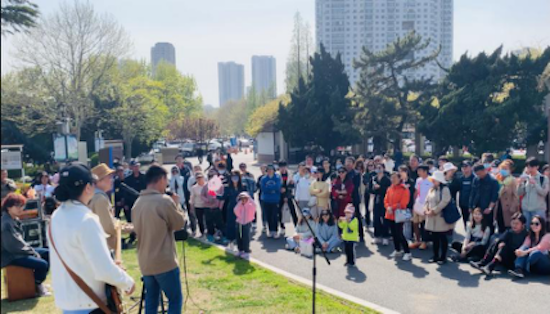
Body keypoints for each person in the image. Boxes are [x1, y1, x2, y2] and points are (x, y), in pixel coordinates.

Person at [49, 163, 135, 313]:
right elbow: (103, 269)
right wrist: (127, 282)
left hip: (68, 303)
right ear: (88, 187)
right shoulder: (87, 219)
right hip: (90, 303)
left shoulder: (56, 216)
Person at [132, 166, 185, 314]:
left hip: (145, 261)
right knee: (175, 300)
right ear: (161, 179)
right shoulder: (164, 201)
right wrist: (176, 204)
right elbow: (179, 223)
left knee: (151, 300)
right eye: (166, 180)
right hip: (164, 261)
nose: (166, 184)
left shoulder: (137, 203)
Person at [1, 193, 50, 296]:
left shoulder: (13, 219)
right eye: (17, 206)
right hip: (9, 256)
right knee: (42, 264)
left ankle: (36, 282)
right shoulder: (6, 223)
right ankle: (36, 285)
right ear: (9, 207)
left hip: (18, 252)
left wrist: (31, 251)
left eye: (22, 206)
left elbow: (19, 243)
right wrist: (32, 252)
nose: (21, 209)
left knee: (48, 253)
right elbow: (12, 246)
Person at [424, 170, 454, 264]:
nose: (432, 181)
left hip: (440, 217)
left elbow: (445, 201)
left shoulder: (445, 189)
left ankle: (443, 257)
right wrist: (426, 209)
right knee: (434, 237)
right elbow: (427, 200)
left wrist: (434, 210)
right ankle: (435, 255)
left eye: (434, 179)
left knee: (442, 237)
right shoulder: (432, 189)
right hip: (431, 216)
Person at [89, 164, 118, 251]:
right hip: (104, 247)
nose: (111, 180)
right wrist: (121, 227)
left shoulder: (92, 196)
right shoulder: (100, 199)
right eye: (109, 177)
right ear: (99, 181)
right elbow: (108, 227)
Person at [384, 173, 412, 261]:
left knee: (399, 233)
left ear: (400, 179)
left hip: (398, 214)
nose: (393, 180)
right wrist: (387, 207)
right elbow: (386, 199)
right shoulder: (390, 188)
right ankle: (397, 250)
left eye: (395, 178)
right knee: (393, 233)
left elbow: (403, 203)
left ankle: (407, 252)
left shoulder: (404, 189)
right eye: (392, 178)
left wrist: (392, 207)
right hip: (390, 214)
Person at [517, 157, 549, 229]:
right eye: (528, 167)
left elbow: (544, 193)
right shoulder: (525, 178)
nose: (529, 169)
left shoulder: (543, 178)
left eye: (531, 167)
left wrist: (535, 184)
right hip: (526, 209)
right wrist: (520, 184)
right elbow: (519, 193)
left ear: (537, 167)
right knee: (527, 229)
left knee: (539, 229)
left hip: (538, 209)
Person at [469, 164, 499, 235]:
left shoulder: (493, 181)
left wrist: (490, 208)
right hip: (477, 207)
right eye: (476, 174)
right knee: (477, 226)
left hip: (487, 208)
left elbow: (494, 196)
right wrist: (470, 206)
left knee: (488, 226)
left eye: (479, 174)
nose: (478, 176)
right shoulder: (476, 179)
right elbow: (472, 193)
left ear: (484, 171)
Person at [221, 170, 246, 251]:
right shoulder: (227, 187)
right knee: (231, 225)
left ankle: (242, 243)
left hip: (241, 209)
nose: (234, 179)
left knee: (241, 226)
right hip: (231, 208)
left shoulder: (243, 187)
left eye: (236, 177)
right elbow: (223, 197)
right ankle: (231, 241)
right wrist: (213, 193)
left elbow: (247, 197)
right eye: (233, 177)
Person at [410, 165, 432, 250]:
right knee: (415, 223)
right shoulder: (418, 180)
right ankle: (417, 240)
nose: (418, 172)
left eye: (420, 171)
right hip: (417, 204)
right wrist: (414, 203)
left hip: (426, 205)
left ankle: (424, 241)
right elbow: (416, 192)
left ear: (425, 171)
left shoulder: (431, 180)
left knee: (424, 224)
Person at [495, 160, 519, 234]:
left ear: (510, 170)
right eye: (502, 168)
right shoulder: (497, 179)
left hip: (508, 207)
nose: (503, 170)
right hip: (498, 205)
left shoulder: (513, 180)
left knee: (508, 225)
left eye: (505, 169)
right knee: (499, 223)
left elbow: (516, 195)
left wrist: (513, 207)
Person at [369, 164, 391, 245]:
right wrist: (374, 188)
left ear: (383, 169)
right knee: (376, 218)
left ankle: (385, 236)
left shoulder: (387, 179)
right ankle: (377, 236)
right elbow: (370, 189)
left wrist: (380, 187)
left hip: (385, 200)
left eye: (380, 168)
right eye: (377, 168)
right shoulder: (374, 178)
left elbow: (389, 190)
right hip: (376, 200)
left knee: (385, 219)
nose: (378, 169)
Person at [170, 166, 196, 236]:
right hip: (174, 200)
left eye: (176, 171)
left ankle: (188, 228)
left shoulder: (181, 178)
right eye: (173, 171)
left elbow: (180, 184)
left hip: (182, 198)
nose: (174, 172)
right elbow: (171, 187)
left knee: (185, 214)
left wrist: (176, 177)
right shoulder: (170, 179)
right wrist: (173, 178)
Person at [202, 169, 225, 243]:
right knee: (209, 222)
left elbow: (223, 197)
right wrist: (206, 200)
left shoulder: (220, 186)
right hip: (208, 207)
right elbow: (202, 195)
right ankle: (210, 235)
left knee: (219, 223)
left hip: (217, 207)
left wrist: (220, 206)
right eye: (210, 176)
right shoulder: (206, 186)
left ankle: (222, 236)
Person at [260, 165, 282, 238]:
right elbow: (263, 188)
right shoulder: (263, 179)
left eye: (271, 169)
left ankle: (275, 231)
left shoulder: (277, 178)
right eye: (268, 169)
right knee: (268, 215)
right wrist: (271, 189)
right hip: (266, 199)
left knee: (275, 215)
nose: (270, 171)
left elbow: (277, 187)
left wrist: (269, 188)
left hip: (275, 200)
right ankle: (270, 231)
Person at [346, 157, 364, 242]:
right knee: (346, 216)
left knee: (357, 216)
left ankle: (361, 235)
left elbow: (355, 186)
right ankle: (348, 234)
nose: (348, 164)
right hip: (346, 198)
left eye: (350, 162)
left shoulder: (356, 174)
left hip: (354, 197)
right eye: (347, 162)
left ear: (353, 164)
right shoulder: (344, 173)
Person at [234, 192, 256, 258]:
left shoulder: (250, 205)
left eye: (245, 199)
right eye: (242, 199)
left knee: (246, 237)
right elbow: (235, 210)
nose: (243, 201)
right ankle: (240, 249)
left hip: (247, 223)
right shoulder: (239, 205)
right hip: (239, 222)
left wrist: (249, 198)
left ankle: (246, 251)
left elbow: (254, 205)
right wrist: (240, 203)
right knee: (239, 237)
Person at [278, 161, 297, 231]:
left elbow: (292, 185)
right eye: (281, 167)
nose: (283, 168)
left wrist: (286, 189)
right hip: (280, 196)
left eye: (284, 167)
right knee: (279, 211)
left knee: (293, 211)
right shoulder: (277, 174)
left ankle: (296, 226)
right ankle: (282, 226)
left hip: (288, 195)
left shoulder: (290, 174)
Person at [190, 173, 207, 238]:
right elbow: (192, 197)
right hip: (198, 205)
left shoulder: (207, 185)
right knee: (200, 220)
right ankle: (202, 232)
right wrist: (191, 206)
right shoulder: (194, 188)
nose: (199, 180)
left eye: (201, 178)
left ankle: (208, 231)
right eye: (198, 178)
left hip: (206, 205)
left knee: (207, 219)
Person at [458, 161, 475, 228]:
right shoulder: (460, 179)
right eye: (463, 167)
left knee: (473, 221)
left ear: (471, 167)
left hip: (472, 204)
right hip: (463, 203)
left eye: (466, 167)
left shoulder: (474, 178)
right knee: (465, 220)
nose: (464, 169)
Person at [363, 160, 376, 227]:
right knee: (367, 208)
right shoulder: (365, 174)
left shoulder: (376, 173)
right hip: (368, 193)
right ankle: (367, 222)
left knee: (375, 209)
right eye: (369, 166)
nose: (370, 167)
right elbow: (365, 183)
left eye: (372, 165)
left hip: (375, 193)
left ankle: (375, 223)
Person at [256, 165, 268, 233]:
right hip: (261, 196)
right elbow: (257, 187)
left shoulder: (270, 178)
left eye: (264, 169)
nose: (263, 170)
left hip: (270, 196)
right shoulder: (260, 178)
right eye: (262, 169)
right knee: (263, 211)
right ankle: (264, 225)